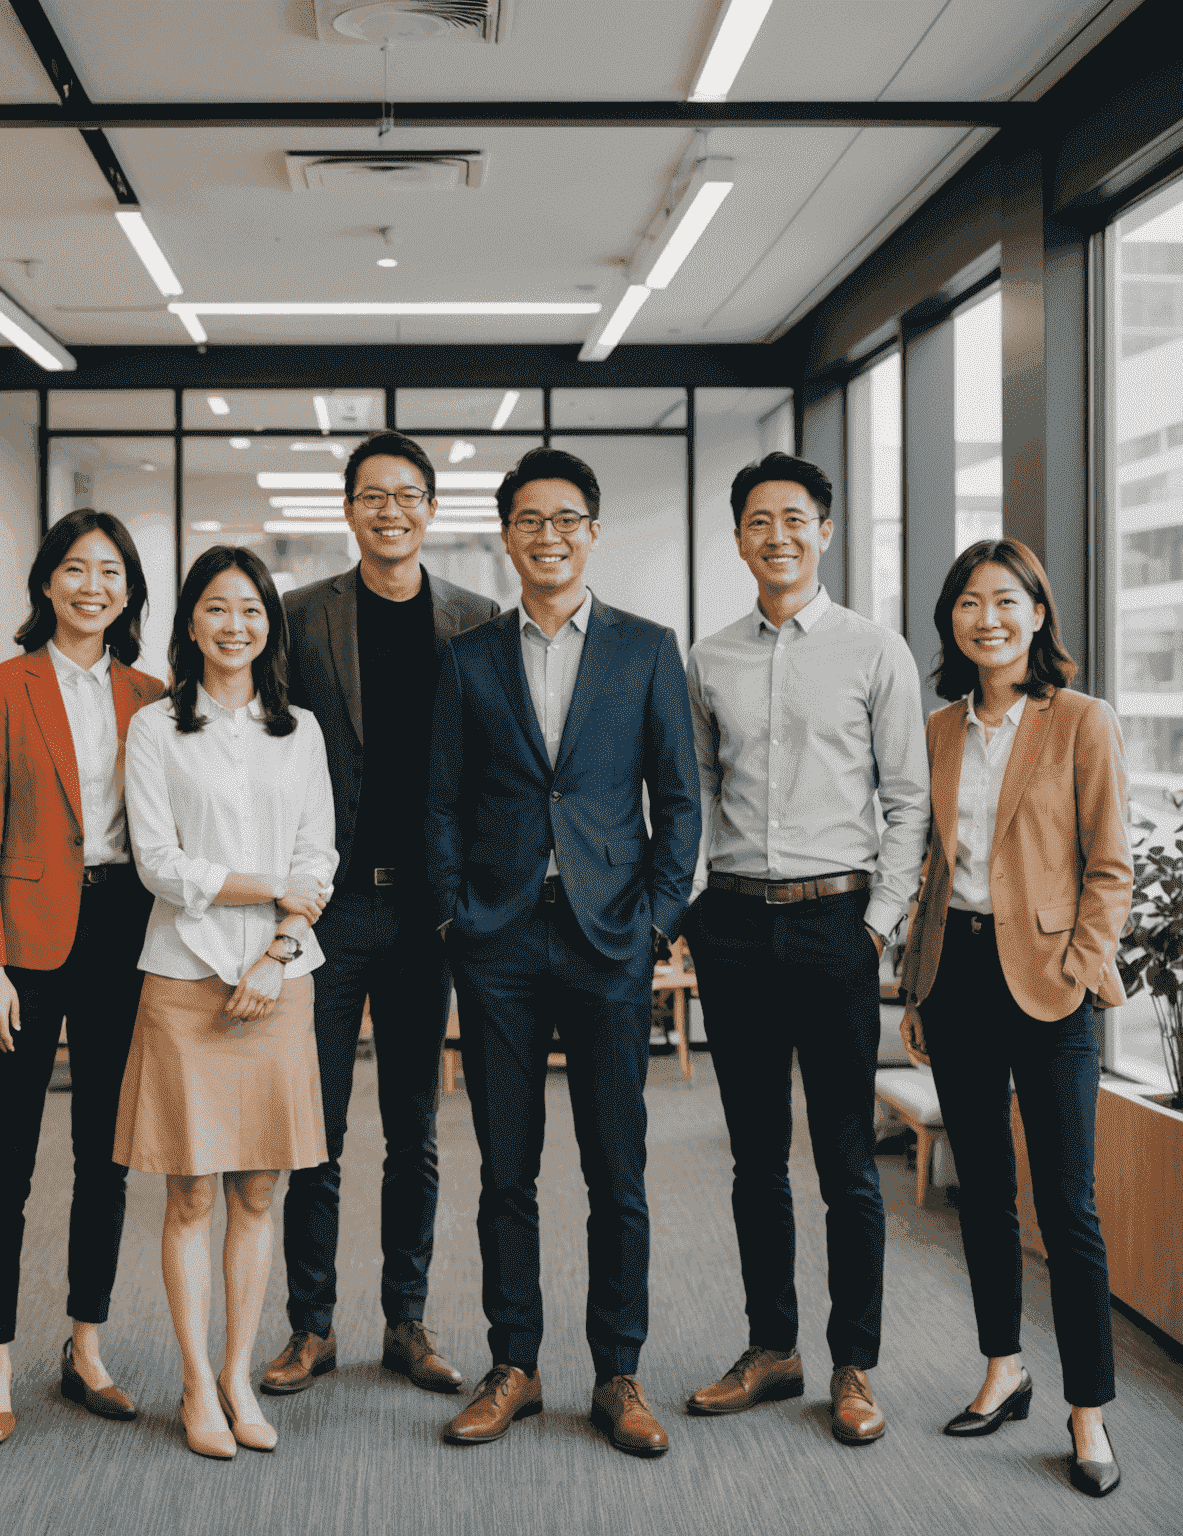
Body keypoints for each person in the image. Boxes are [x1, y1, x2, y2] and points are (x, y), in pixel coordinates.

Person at [425, 446, 700, 1457]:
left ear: (593, 531)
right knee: (507, 1169)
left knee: (616, 1169)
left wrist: (658, 922)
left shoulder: (644, 649)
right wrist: (457, 915)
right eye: (529, 520)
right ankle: (516, 1365)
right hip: (497, 940)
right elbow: (442, 801)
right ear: (507, 535)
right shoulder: (470, 657)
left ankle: (618, 1373)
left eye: (566, 519)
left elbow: (679, 802)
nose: (548, 536)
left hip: (610, 941)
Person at [683, 450, 927, 1446]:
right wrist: (696, 905)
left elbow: (908, 801)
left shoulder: (878, 652)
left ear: (824, 531)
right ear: (738, 537)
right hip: (735, 924)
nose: (776, 535)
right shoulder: (709, 659)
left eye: (795, 518)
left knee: (844, 1164)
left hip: (836, 923)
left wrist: (878, 924)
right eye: (757, 521)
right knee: (752, 1160)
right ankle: (771, 1348)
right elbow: (694, 794)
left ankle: (854, 1365)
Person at [267, 431, 497, 1400]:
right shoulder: (297, 617)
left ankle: (407, 1318)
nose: (389, 510)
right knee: (310, 1130)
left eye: (407, 495)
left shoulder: (476, 620)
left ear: (431, 509)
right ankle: (309, 1327)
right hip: (332, 908)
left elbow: (495, 769)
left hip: (429, 918)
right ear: (349, 509)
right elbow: (267, 761)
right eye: (372, 495)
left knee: (416, 1130)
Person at [900, 539, 1131, 1498]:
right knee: (983, 1193)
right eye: (968, 602)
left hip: (1050, 985)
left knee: (1067, 1206)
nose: (985, 618)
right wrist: (915, 985)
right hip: (956, 980)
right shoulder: (937, 730)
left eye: (1006, 601)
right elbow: (928, 868)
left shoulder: (1081, 720)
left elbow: (1110, 866)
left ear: (1038, 615)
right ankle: (1004, 1366)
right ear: (951, 620)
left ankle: (1090, 1410)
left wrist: (1077, 969)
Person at [114, 545, 338, 1459]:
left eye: (250, 609)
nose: (234, 625)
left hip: (282, 978)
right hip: (183, 976)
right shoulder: (156, 728)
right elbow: (158, 865)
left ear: (268, 626)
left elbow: (320, 858)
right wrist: (264, 887)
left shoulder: (303, 730)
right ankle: (194, 1383)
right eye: (216, 608)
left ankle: (240, 1373)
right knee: (192, 1192)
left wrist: (281, 948)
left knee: (258, 1189)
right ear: (191, 622)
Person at [0, 509, 164, 1446]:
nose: (93, 586)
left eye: (110, 571)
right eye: (76, 569)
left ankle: (86, 1346)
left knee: (105, 1158)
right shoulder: (2, 687)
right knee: (6, 1160)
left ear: (128, 590)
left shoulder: (153, 694)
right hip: (29, 942)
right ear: (47, 582)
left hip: (124, 933)